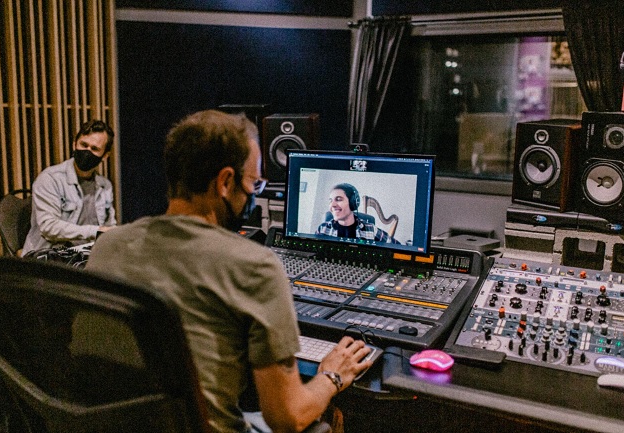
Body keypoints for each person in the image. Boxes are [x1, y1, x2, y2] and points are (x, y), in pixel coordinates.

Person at [84, 110, 373, 433]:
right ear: (225, 182)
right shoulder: (255, 266)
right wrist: (332, 374)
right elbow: (288, 418)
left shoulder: (109, 245)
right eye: (255, 183)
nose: (256, 192)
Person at [22, 119, 116, 256]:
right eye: (84, 145)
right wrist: (94, 231)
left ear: (105, 156)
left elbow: (109, 226)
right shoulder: (50, 178)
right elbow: (49, 228)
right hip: (50, 256)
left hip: (87, 256)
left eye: (94, 149)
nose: (87, 151)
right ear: (74, 144)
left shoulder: (105, 186)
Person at [315, 183, 399, 244]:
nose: (332, 205)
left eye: (338, 199)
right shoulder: (322, 229)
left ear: (353, 203)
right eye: (330, 201)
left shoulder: (371, 230)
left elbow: (396, 246)